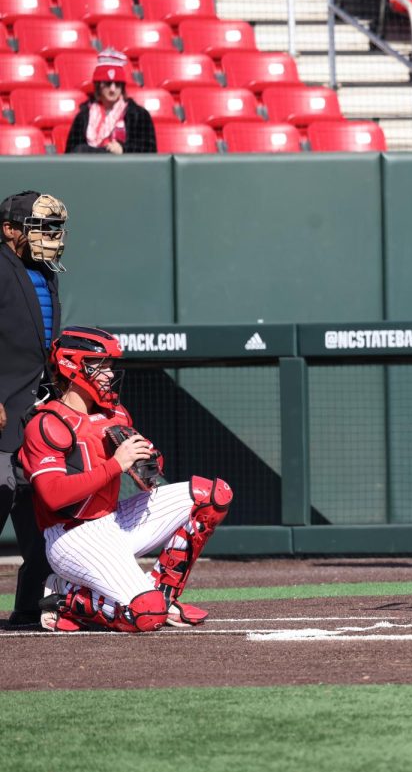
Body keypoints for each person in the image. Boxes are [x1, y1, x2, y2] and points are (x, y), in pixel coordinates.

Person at [19, 327, 231, 632]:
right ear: (71, 365)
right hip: (71, 537)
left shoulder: (115, 413)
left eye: (109, 365)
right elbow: (52, 495)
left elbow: (148, 477)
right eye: (99, 365)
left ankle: (164, 596)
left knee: (211, 495)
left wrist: (148, 461)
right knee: (145, 615)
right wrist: (116, 465)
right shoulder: (47, 423)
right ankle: (65, 598)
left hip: (114, 520)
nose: (108, 373)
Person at [0, 191, 65, 628]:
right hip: (4, 410)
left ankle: (27, 609)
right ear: (10, 230)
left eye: (56, 228)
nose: (52, 237)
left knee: (42, 518)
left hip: (37, 414)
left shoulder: (47, 272)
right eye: (42, 227)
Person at [64, 49, 157, 155]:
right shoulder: (84, 116)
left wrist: (123, 149)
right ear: (99, 86)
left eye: (117, 84)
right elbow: (71, 152)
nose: (113, 89)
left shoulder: (138, 115)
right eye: (108, 84)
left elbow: (149, 150)